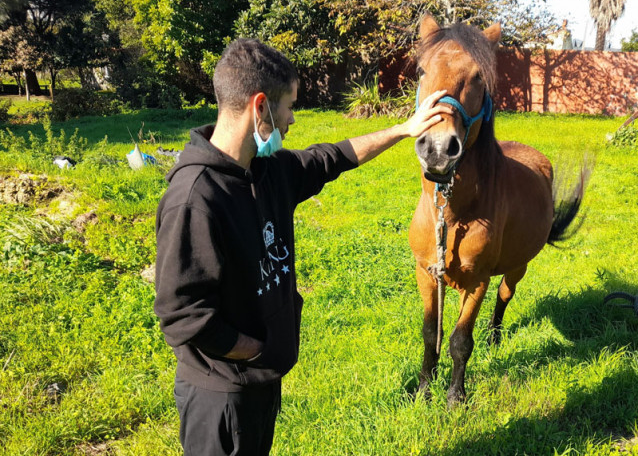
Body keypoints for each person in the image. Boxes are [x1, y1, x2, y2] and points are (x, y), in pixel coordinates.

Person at [154, 38, 451, 456]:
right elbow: (183, 317)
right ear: (261, 107)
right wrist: (258, 349)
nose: (292, 119)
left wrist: (404, 129)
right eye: (289, 106)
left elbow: (334, 156)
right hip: (222, 397)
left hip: (260, 383)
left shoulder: (267, 171)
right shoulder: (195, 199)